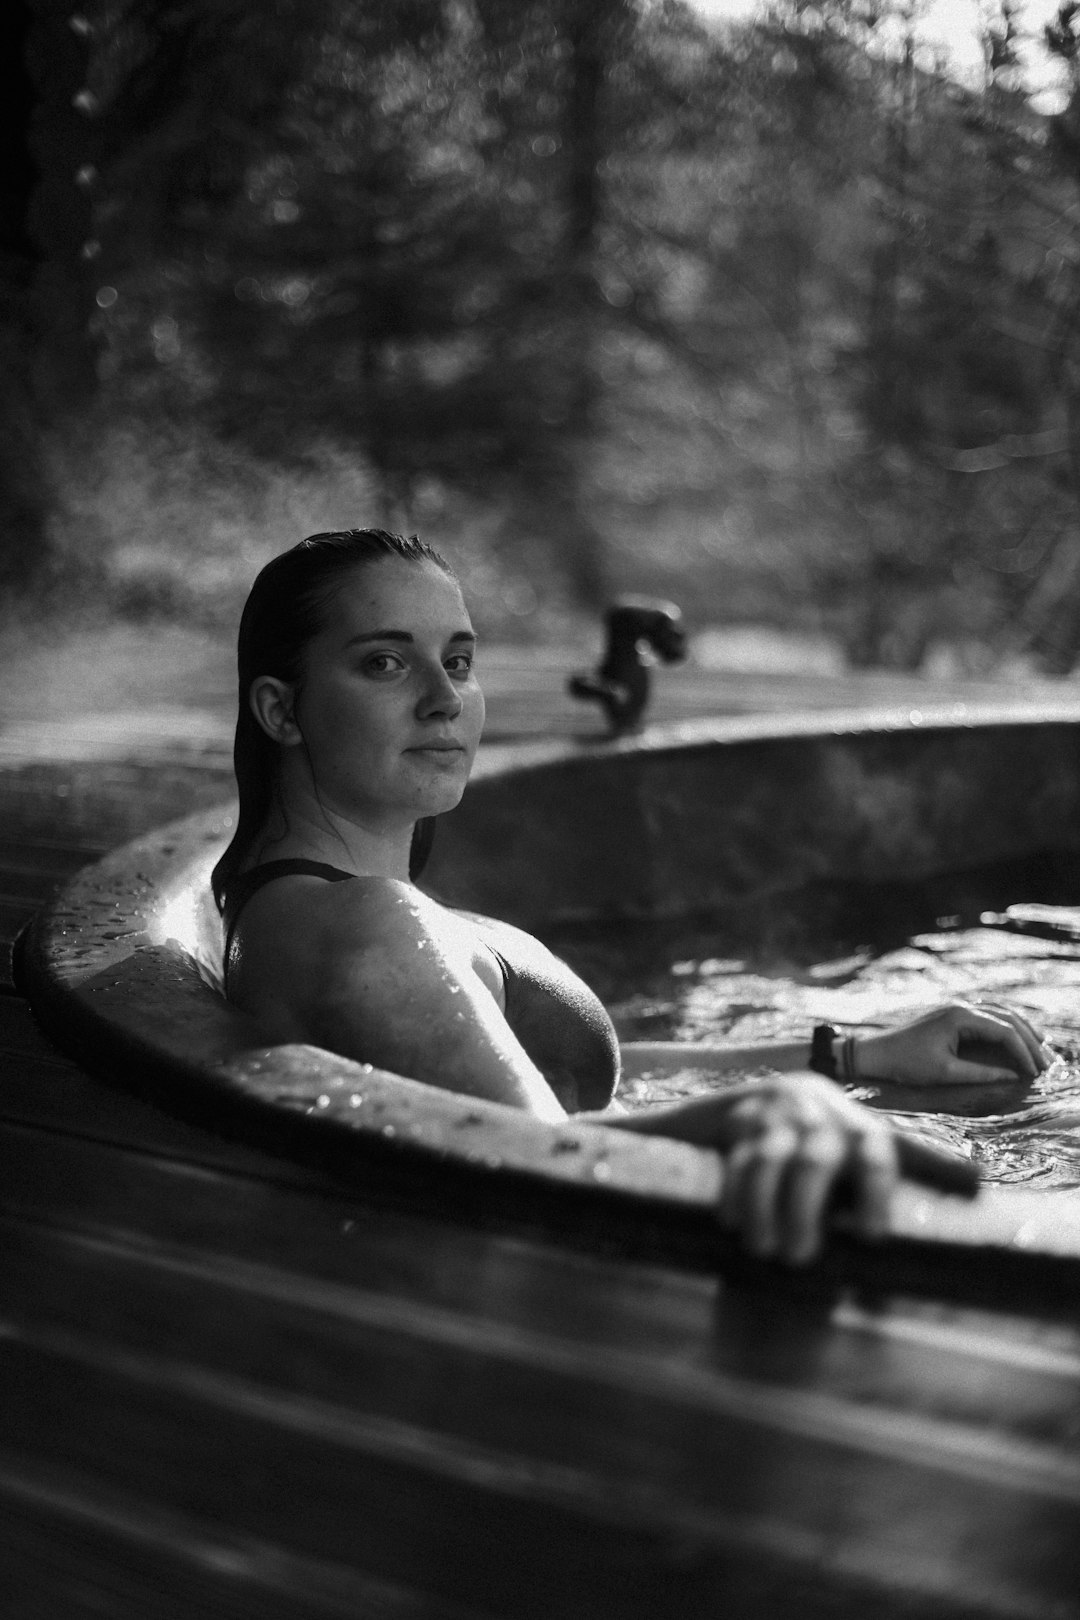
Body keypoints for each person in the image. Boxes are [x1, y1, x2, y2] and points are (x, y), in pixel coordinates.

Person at [213, 530, 1051, 1266]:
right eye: (385, 663)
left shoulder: (323, 913)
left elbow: (509, 1080)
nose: (443, 697)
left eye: (459, 661)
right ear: (281, 711)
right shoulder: (369, 926)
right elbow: (535, 1151)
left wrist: (845, 1058)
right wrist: (768, 1107)